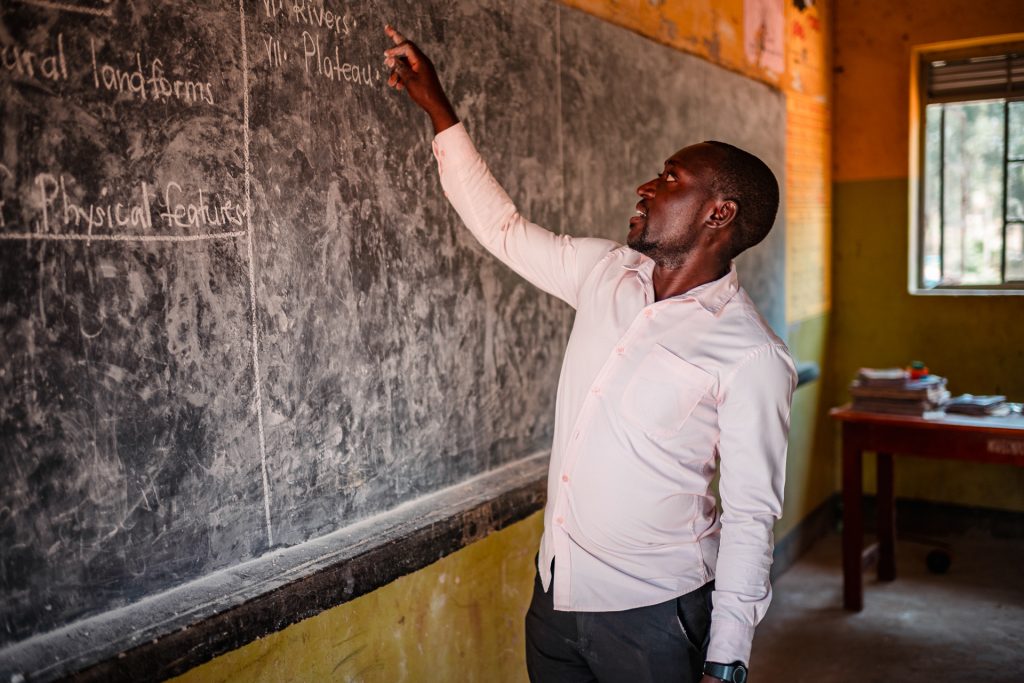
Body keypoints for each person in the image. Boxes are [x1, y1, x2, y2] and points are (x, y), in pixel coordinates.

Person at [384, 24, 795, 683]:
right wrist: (440, 110)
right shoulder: (607, 273)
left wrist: (726, 657)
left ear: (718, 213)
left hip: (658, 619)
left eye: (670, 179)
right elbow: (504, 229)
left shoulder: (750, 354)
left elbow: (751, 515)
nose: (645, 186)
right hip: (557, 596)